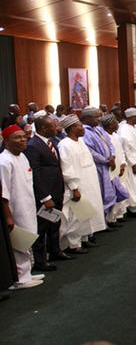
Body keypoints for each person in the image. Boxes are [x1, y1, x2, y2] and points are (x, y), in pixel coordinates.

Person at [24, 115, 70, 272]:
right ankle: (40, 261)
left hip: (56, 190)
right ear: (43, 128)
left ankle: (55, 251)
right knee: (42, 227)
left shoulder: (51, 142)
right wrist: (45, 197)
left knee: (55, 223)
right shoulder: (33, 145)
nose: (57, 128)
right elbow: (35, 174)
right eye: (53, 126)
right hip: (45, 195)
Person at [0, 125, 42, 289]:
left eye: (24, 136)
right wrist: (8, 215)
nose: (22, 139)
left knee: (27, 238)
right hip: (15, 208)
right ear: (6, 141)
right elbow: (3, 192)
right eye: (17, 137)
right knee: (18, 241)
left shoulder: (22, 157)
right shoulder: (4, 161)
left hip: (27, 205)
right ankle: (20, 278)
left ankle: (26, 273)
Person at [57, 115, 105, 254]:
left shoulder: (80, 141)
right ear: (72, 128)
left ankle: (84, 238)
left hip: (89, 182)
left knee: (87, 212)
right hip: (77, 186)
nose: (82, 127)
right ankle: (74, 244)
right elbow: (67, 168)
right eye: (79, 125)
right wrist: (74, 187)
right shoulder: (65, 144)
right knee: (76, 215)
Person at [81, 107, 128, 224]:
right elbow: (91, 152)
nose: (99, 119)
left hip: (109, 166)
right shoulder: (85, 132)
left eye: (99, 117)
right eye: (96, 117)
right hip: (99, 168)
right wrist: (106, 160)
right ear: (87, 118)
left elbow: (109, 142)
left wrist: (112, 156)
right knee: (102, 195)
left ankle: (109, 219)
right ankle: (104, 222)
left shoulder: (98, 129)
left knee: (112, 192)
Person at [100, 114, 129, 224]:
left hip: (120, 168)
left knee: (120, 191)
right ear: (109, 125)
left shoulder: (116, 136)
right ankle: (109, 219)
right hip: (111, 170)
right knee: (112, 194)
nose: (117, 124)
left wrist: (123, 163)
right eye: (115, 122)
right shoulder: (104, 137)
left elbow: (121, 151)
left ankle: (117, 216)